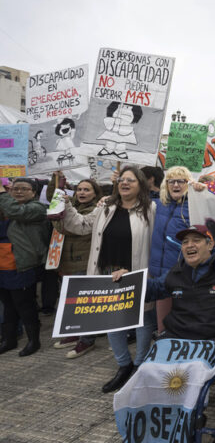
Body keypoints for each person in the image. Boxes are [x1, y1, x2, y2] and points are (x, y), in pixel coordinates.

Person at [60, 166, 157, 393]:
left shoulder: (150, 209)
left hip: (135, 272)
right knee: (112, 320)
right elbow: (81, 226)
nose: (125, 183)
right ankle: (123, 365)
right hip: (106, 272)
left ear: (140, 185)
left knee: (141, 319)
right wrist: (66, 205)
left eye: (130, 180)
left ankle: (140, 365)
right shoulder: (106, 207)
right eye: (122, 180)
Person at [112, 224, 215, 357]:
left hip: (212, 342)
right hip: (176, 339)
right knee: (148, 373)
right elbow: (153, 289)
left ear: (210, 244)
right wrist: (129, 280)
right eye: (185, 242)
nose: (190, 245)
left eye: (196, 240)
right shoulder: (177, 271)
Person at [51, 178, 102, 358]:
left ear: (95, 193)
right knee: (72, 303)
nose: (82, 193)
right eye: (79, 189)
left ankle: (87, 340)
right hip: (68, 262)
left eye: (87, 190)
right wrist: (56, 181)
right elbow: (54, 200)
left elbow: (65, 227)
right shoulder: (73, 206)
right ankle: (74, 332)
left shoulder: (96, 210)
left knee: (86, 305)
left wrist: (59, 215)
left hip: (83, 263)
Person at [0, 178, 50, 357]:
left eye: (24, 189)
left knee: (25, 305)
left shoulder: (37, 208)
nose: (18, 191)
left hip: (22, 266)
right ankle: (9, 339)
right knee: (8, 305)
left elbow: (15, 211)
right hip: (3, 265)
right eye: (14, 189)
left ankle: (33, 341)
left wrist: (2, 193)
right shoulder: (6, 206)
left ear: (34, 192)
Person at [149, 166, 193, 332]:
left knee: (184, 324)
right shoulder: (157, 205)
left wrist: (204, 192)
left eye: (181, 181)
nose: (176, 185)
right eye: (171, 181)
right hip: (160, 276)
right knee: (163, 326)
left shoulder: (194, 206)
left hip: (184, 275)